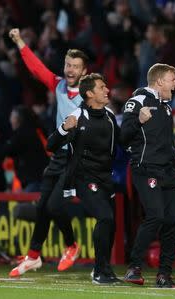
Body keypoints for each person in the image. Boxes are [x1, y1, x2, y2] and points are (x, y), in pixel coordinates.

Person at [8, 28, 87, 277]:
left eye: (75, 66)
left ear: (84, 71)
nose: (70, 69)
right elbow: (37, 69)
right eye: (68, 65)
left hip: (77, 158)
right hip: (58, 157)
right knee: (42, 206)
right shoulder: (59, 85)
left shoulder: (90, 94)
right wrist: (20, 42)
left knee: (54, 207)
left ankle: (72, 245)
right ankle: (33, 256)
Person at [121, 63, 175, 288]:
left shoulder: (166, 106)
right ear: (159, 81)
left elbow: (169, 146)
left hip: (167, 171)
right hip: (145, 169)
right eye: (172, 79)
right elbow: (124, 137)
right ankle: (134, 267)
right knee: (156, 216)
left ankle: (164, 274)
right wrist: (138, 121)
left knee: (173, 220)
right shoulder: (138, 101)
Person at [46, 73, 120, 284]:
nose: (107, 90)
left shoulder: (109, 115)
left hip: (106, 177)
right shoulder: (77, 117)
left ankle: (105, 269)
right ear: (89, 93)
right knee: (105, 217)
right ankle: (99, 271)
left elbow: (121, 141)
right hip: (84, 177)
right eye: (102, 87)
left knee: (111, 224)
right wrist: (63, 128)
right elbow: (50, 145)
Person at [0, 105, 49, 192]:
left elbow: (0, 154)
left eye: (12, 117)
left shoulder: (22, 135)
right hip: (40, 181)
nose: (10, 120)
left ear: (18, 119)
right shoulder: (34, 131)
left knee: (25, 205)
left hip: (35, 183)